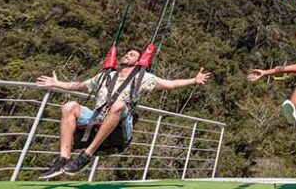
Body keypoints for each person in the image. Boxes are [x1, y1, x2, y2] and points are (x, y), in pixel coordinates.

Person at [35, 48, 212, 178]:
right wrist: (56, 84)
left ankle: (86, 156)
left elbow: (170, 84)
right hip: (98, 117)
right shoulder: (104, 76)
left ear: (138, 61)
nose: (126, 55)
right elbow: (79, 85)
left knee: (118, 105)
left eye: (132, 54)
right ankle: (63, 158)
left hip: (121, 123)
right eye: (126, 54)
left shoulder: (143, 78)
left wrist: (193, 81)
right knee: (69, 106)